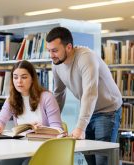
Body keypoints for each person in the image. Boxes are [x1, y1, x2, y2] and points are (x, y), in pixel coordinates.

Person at [46, 27, 122, 165]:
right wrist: (50, 124)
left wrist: (80, 127)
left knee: (102, 160)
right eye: (49, 50)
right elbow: (58, 93)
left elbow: (90, 93)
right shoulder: (56, 63)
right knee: (90, 160)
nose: (51, 55)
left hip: (107, 110)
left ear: (68, 47)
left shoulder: (86, 57)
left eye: (55, 50)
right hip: (88, 111)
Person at [0, 60, 62, 165]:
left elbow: (58, 129)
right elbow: (1, 120)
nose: (19, 81)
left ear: (32, 79)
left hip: (45, 148)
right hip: (22, 149)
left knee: (28, 163)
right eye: (15, 77)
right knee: (3, 164)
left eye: (24, 77)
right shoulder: (11, 99)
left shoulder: (47, 97)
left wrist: (42, 130)